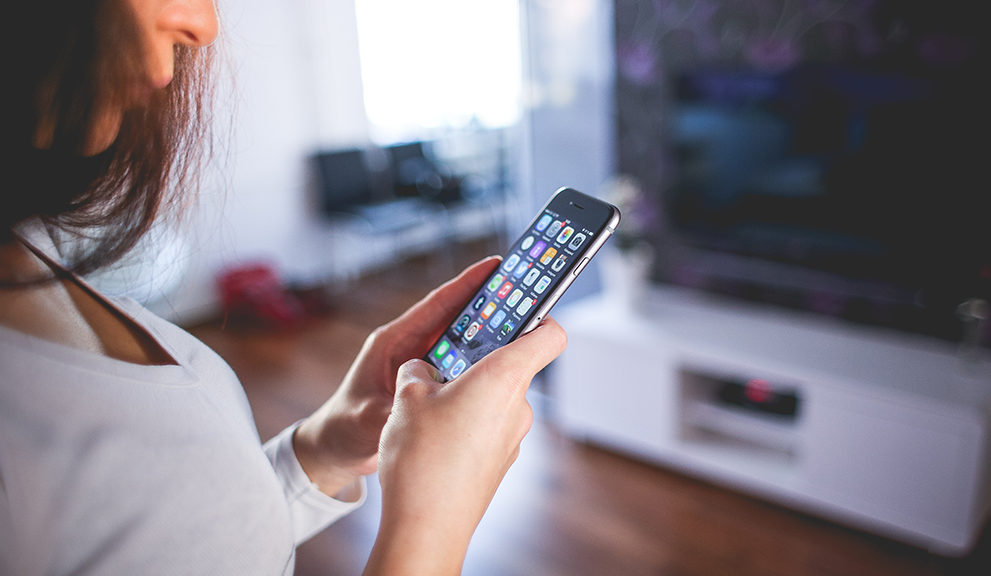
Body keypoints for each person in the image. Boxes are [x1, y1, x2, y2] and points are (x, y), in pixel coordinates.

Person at [0, 1, 567, 574]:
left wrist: (328, 445)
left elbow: (197, 539)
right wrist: (433, 519)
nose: (203, 24)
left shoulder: (27, 261)